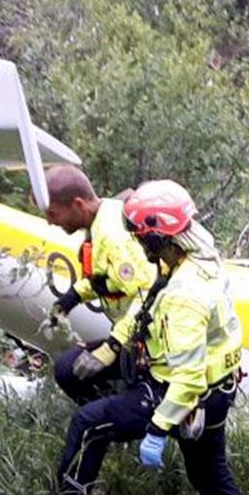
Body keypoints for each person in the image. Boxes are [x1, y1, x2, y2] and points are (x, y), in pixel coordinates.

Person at [53, 180, 249, 495]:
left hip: (186, 391)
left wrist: (158, 428)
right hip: (216, 387)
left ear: (158, 238)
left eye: (141, 237)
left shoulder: (184, 295)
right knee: (212, 479)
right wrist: (115, 344)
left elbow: (186, 377)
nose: (138, 244)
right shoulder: (194, 254)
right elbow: (148, 302)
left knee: (87, 425)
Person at [42, 165, 156, 404]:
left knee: (69, 371)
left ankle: (107, 421)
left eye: (53, 214)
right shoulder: (104, 216)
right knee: (68, 369)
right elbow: (109, 280)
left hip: (150, 343)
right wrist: (71, 298)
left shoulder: (112, 237)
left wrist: (113, 346)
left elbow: (147, 295)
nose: (50, 223)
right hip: (133, 336)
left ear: (78, 204)